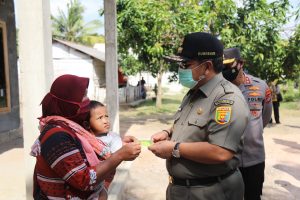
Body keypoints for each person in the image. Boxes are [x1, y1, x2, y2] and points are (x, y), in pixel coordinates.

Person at [148, 32, 250, 200]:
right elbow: (189, 125)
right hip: (183, 190)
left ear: (207, 66)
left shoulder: (227, 98)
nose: (181, 69)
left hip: (211, 191)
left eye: (186, 64)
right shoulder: (194, 92)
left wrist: (173, 148)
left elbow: (220, 152)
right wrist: (167, 133)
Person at [30, 74, 141, 200]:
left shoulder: (71, 127)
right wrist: (120, 155)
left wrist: (116, 144)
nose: (87, 101)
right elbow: (83, 179)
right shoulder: (57, 137)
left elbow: (88, 146)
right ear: (67, 102)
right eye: (83, 96)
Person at [222, 47, 273, 200]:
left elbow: (266, 116)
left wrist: (253, 131)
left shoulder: (260, 86)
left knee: (253, 196)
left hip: (254, 158)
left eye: (229, 65)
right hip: (228, 160)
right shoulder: (219, 88)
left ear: (241, 63)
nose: (225, 69)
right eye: (222, 66)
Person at [83, 100, 123, 189]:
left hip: (104, 180)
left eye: (106, 116)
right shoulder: (84, 138)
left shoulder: (113, 137)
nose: (105, 121)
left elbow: (118, 155)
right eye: (100, 118)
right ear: (87, 124)